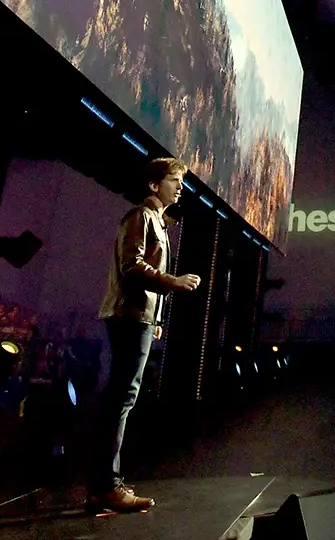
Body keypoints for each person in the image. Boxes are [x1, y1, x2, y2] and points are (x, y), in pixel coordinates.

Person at [91, 158, 201, 514]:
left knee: (122, 398)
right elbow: (132, 266)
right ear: (155, 185)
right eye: (173, 180)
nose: (179, 187)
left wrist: (155, 317)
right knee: (121, 399)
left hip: (139, 317)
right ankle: (107, 486)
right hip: (128, 315)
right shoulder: (140, 216)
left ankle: (103, 486)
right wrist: (174, 281)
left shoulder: (157, 222)